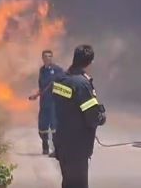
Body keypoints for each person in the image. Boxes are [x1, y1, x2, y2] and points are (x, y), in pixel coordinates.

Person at [52, 44, 106, 188]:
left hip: (61, 142)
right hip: (77, 147)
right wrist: (101, 117)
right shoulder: (82, 84)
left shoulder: (60, 79)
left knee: (68, 183)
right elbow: (92, 118)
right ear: (89, 63)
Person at [28, 49, 64, 157]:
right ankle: (45, 146)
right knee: (42, 128)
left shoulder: (58, 70)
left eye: (50, 56)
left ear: (52, 58)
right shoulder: (42, 71)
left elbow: (64, 85)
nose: (48, 58)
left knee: (54, 128)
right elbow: (42, 87)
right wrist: (36, 95)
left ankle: (57, 150)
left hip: (54, 103)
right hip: (44, 103)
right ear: (42, 58)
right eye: (45, 56)